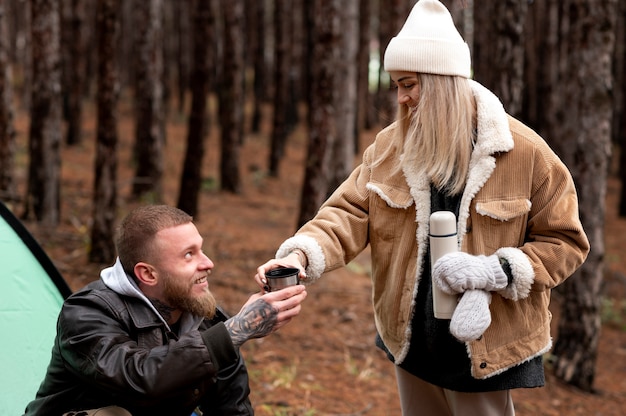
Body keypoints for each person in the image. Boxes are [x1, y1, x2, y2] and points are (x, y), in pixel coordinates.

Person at [255, 0, 590, 415]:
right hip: (412, 341)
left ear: (442, 81)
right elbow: (349, 212)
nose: (402, 98)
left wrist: (499, 271)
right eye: (397, 85)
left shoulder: (526, 152)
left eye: (409, 84)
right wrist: (300, 253)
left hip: (483, 347)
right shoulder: (390, 146)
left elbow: (566, 241)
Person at [25, 204, 307, 416]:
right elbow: (139, 379)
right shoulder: (86, 314)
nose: (207, 263)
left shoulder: (206, 320)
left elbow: (232, 409)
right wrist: (236, 330)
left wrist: (230, 333)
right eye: (189, 255)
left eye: (201, 250)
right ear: (148, 274)